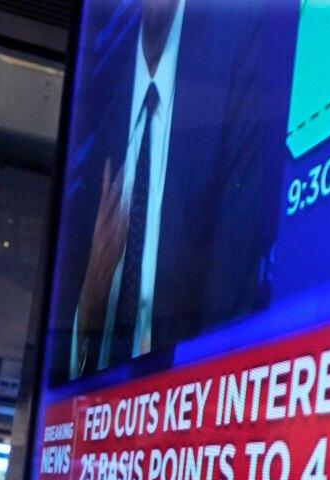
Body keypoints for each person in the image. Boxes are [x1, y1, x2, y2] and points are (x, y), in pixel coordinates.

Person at [53, 0, 288, 381]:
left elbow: (229, 309)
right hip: (94, 419)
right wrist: (88, 305)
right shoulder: (100, 100)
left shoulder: (236, 47)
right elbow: (61, 352)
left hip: (180, 411)